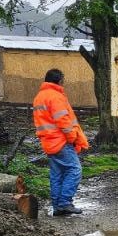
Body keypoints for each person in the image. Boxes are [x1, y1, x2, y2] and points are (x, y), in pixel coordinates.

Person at [33, 69, 90, 216]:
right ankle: (65, 203)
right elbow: (63, 120)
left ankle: (58, 206)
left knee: (57, 174)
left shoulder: (40, 96)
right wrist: (72, 138)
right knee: (74, 170)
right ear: (59, 80)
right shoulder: (55, 96)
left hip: (48, 142)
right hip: (61, 141)